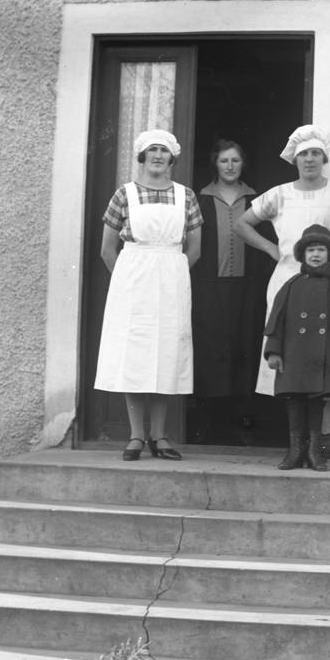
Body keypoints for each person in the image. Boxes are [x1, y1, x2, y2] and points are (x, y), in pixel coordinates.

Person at [93, 129, 202, 461]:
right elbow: (107, 249)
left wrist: (169, 273)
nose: (158, 156)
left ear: (172, 158)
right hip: (133, 282)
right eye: (152, 150)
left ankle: (161, 435)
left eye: (164, 151)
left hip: (171, 278)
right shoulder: (123, 194)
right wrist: (130, 280)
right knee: (135, 355)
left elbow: (194, 249)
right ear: (142, 156)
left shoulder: (187, 196)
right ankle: (136, 436)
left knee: (166, 354)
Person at [233, 125, 330, 397]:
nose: (310, 159)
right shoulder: (280, 194)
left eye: (316, 153)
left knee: (325, 348)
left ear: (324, 159)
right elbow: (242, 224)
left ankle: (318, 432)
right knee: (288, 349)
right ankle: (293, 428)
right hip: (288, 282)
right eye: (304, 154)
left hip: (328, 286)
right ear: (296, 159)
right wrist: (270, 247)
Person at [264, 225, 330, 470]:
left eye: (320, 250)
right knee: (294, 400)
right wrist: (274, 351)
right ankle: (295, 451)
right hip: (294, 355)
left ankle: (314, 451)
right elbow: (277, 321)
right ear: (302, 255)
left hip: (325, 356)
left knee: (317, 401)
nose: (315, 255)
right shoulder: (291, 285)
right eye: (310, 250)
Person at [192, 139, 274, 399]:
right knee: (211, 345)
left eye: (235, 160)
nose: (230, 166)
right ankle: (211, 410)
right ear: (215, 164)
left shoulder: (256, 198)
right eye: (224, 160)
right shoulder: (199, 199)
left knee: (245, 344)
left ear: (243, 164)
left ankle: (244, 412)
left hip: (247, 286)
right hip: (209, 286)